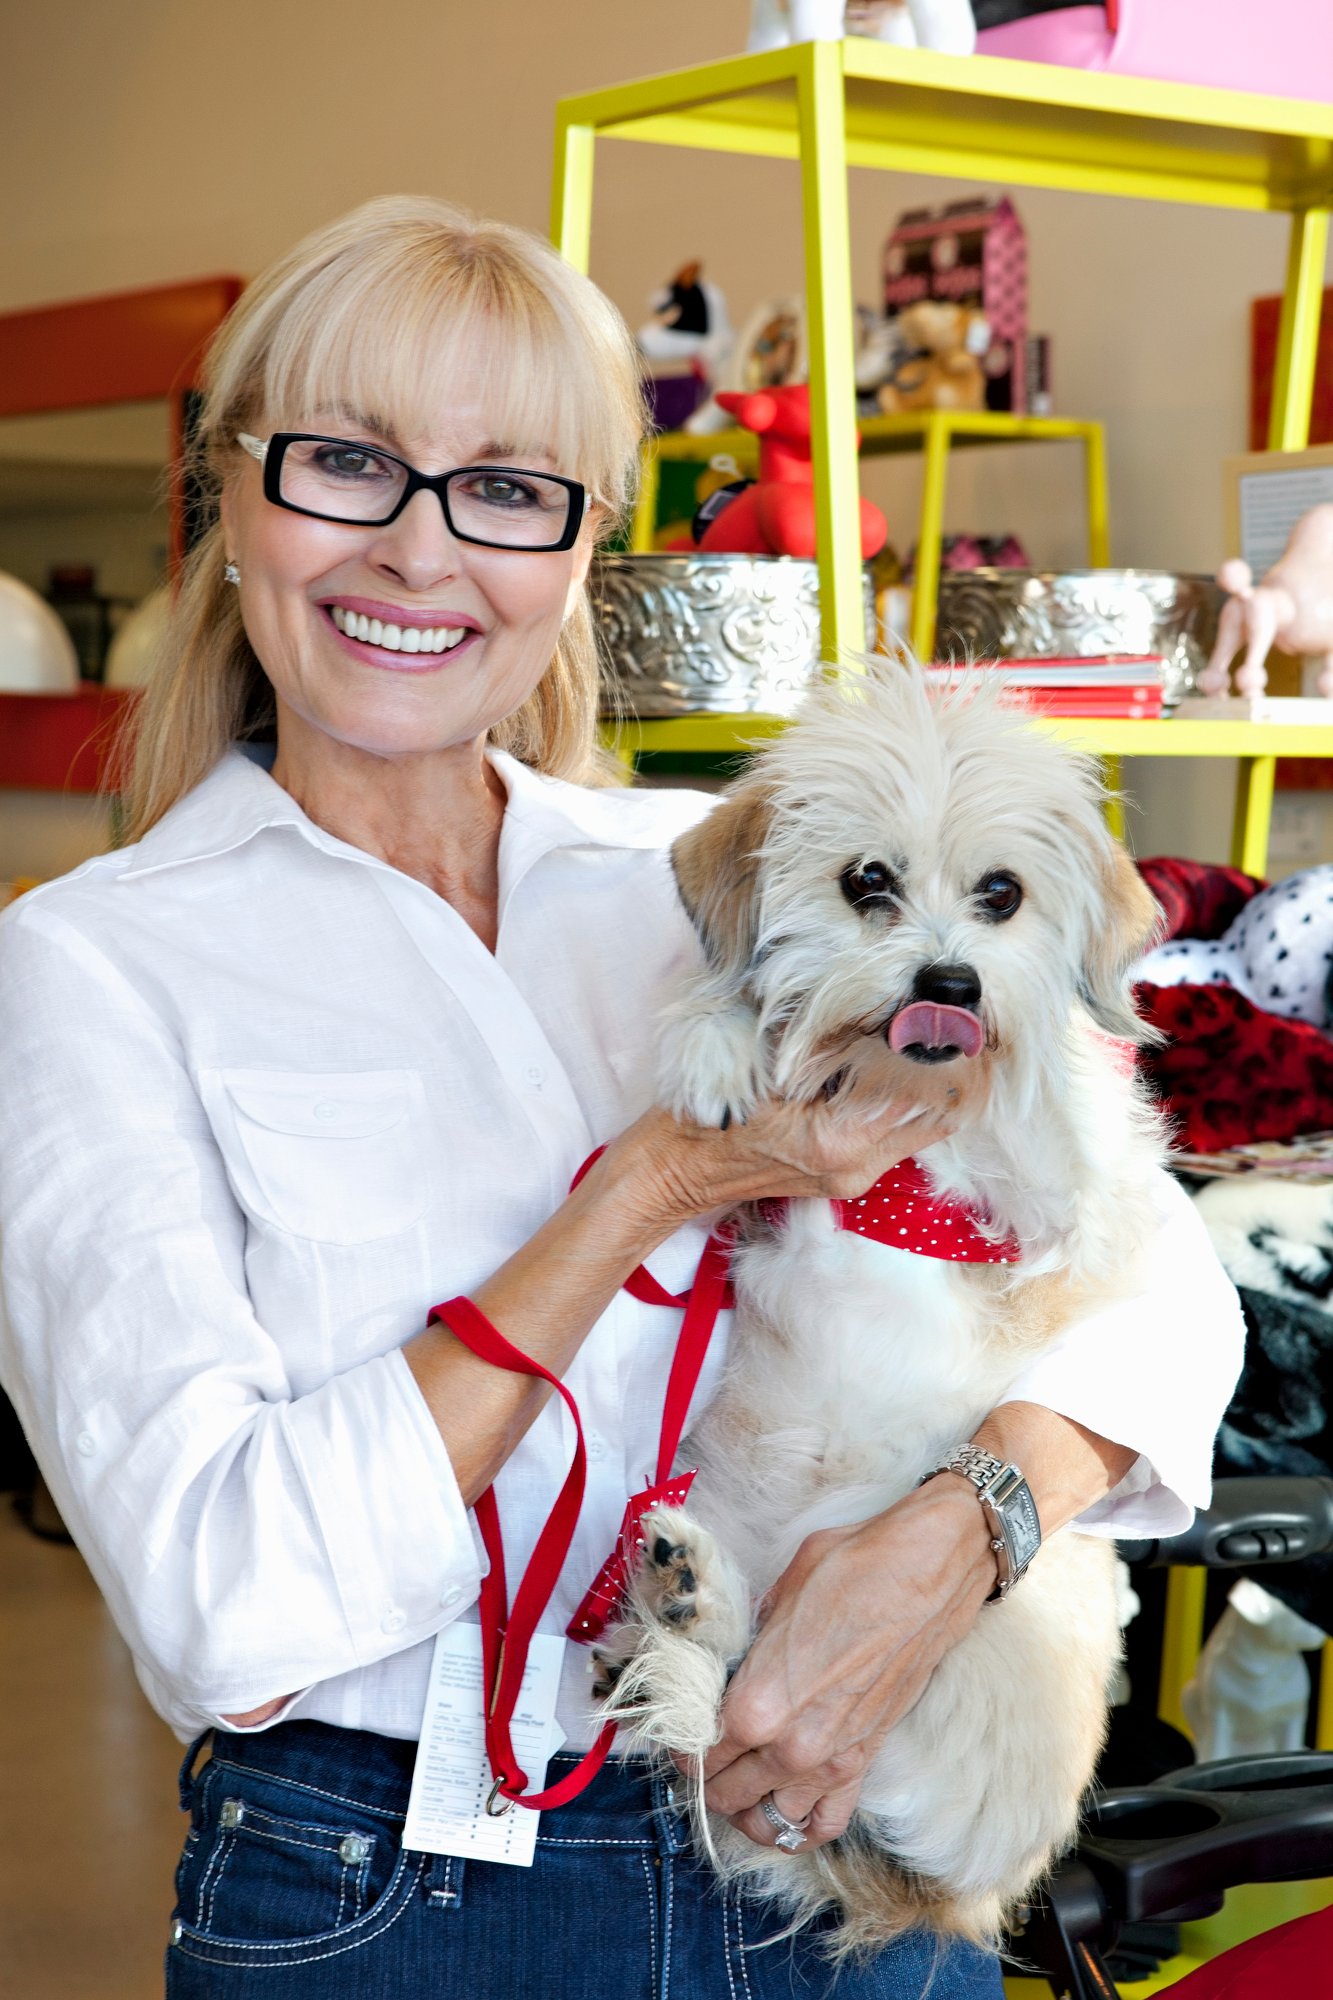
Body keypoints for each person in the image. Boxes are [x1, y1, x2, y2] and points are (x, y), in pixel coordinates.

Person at [0, 196, 1243, 1999]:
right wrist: (649, 1185)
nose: (421, 555)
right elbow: (220, 1608)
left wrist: (961, 1529)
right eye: (347, 463)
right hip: (398, 1893)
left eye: (508, 489)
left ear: (583, 545)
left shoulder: (709, 874)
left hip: (851, 1852)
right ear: (231, 492)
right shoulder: (92, 967)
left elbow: (1162, 1290)